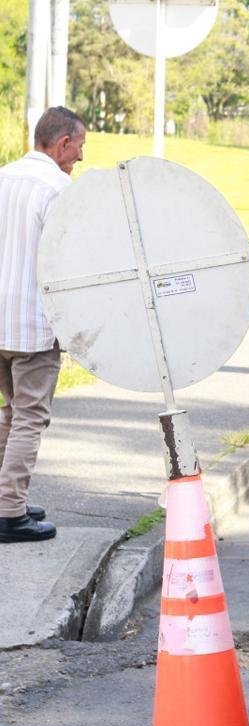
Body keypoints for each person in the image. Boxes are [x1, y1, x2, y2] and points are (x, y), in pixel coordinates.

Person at [0, 106, 86, 544]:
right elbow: (64, 261)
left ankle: (3, 498)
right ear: (62, 143)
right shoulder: (58, 187)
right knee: (30, 417)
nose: (81, 157)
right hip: (33, 321)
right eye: (80, 147)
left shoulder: (3, 176)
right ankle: (10, 512)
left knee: (11, 413)